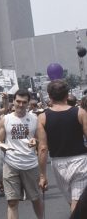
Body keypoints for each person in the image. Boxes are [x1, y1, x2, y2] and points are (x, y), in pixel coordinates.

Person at [37, 80, 87, 213]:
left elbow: (42, 148)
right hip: (80, 162)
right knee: (76, 203)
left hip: (58, 163)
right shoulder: (80, 113)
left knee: (73, 202)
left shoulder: (42, 117)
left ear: (49, 96)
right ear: (67, 95)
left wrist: (42, 175)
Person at [0, 89, 44, 219]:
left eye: (24, 102)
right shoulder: (6, 119)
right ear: (13, 101)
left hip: (30, 164)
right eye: (18, 101)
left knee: (35, 198)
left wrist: (36, 141)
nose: (20, 105)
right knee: (12, 202)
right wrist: (2, 145)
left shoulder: (34, 119)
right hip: (11, 164)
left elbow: (42, 140)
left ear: (28, 103)